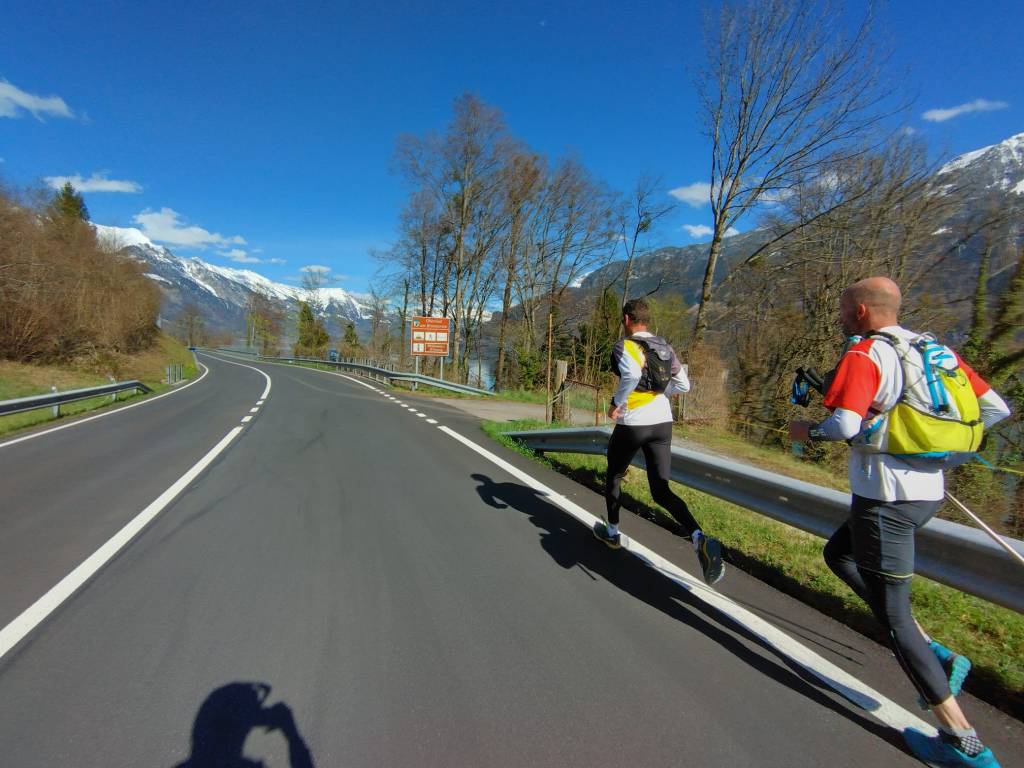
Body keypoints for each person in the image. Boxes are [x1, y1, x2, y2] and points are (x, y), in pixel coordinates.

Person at [789, 277, 1010, 768]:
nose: (842, 315)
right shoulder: (935, 352)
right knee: (838, 555)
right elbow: (995, 409)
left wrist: (808, 430)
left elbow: (845, 425)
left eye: (846, 308)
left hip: (884, 502)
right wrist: (935, 455)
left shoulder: (865, 354)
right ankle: (938, 655)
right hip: (926, 496)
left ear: (863, 310)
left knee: (894, 618)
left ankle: (965, 743)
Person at [593, 297, 725, 586]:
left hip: (634, 423)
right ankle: (698, 537)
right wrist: (660, 397)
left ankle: (612, 533)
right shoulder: (664, 346)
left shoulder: (624, 345)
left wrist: (617, 402)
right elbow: (683, 385)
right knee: (660, 490)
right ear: (646, 320)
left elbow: (629, 374)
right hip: (663, 423)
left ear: (627, 319)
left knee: (614, 475)